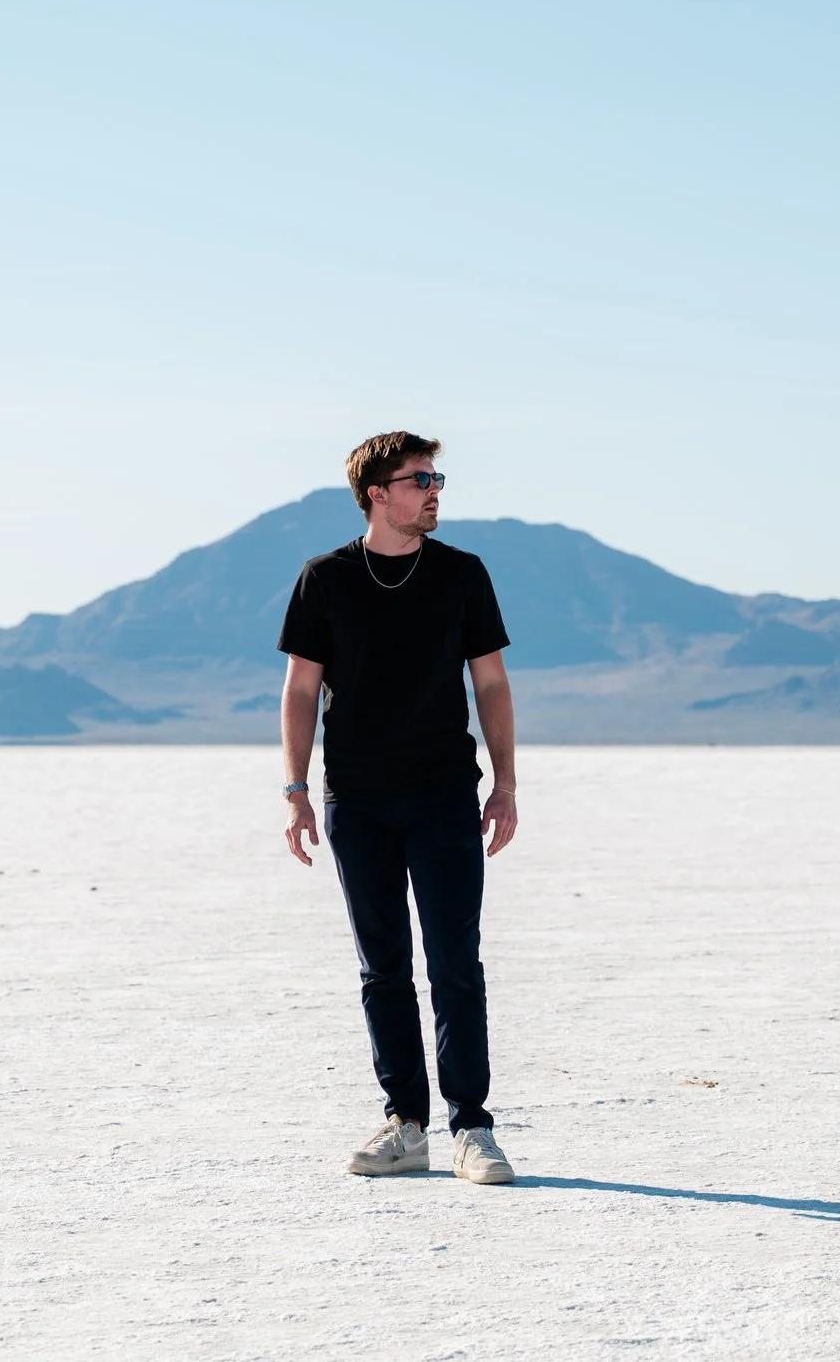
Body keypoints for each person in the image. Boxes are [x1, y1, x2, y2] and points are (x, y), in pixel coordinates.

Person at [277, 431, 519, 1184]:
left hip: (445, 792)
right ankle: (405, 1123)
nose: (434, 489)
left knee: (454, 964)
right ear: (377, 492)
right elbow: (300, 689)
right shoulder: (326, 578)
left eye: (436, 476)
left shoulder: (461, 575)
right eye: (419, 478)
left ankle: (471, 1126)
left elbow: (492, 684)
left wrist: (504, 783)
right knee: (382, 968)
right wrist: (295, 790)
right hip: (356, 797)